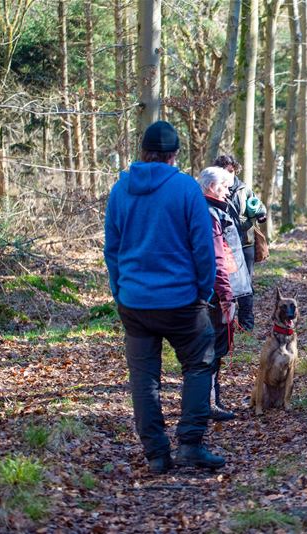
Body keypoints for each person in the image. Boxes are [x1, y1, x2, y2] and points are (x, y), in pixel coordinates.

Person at [104, 120, 225, 473]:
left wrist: (119, 290)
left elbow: (112, 249)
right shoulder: (186, 188)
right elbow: (203, 248)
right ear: (174, 155)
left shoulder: (120, 190)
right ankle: (189, 444)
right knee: (200, 364)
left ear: (143, 151)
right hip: (181, 302)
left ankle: (156, 454)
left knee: (144, 378)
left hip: (135, 302)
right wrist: (204, 291)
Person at [199, 167, 253, 421]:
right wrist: (225, 296)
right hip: (214, 295)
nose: (229, 190)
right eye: (224, 186)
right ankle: (208, 403)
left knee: (217, 347)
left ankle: (213, 399)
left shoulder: (217, 209)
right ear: (211, 187)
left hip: (220, 291)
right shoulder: (209, 213)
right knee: (212, 349)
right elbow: (217, 258)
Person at [212, 155, 267, 331]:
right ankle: (227, 322)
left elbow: (258, 205)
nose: (228, 174)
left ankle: (246, 324)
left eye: (231, 170)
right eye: (224, 171)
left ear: (235, 170)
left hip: (245, 243)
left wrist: (261, 213)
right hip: (224, 244)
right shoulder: (216, 188)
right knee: (225, 283)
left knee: (245, 285)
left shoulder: (244, 189)